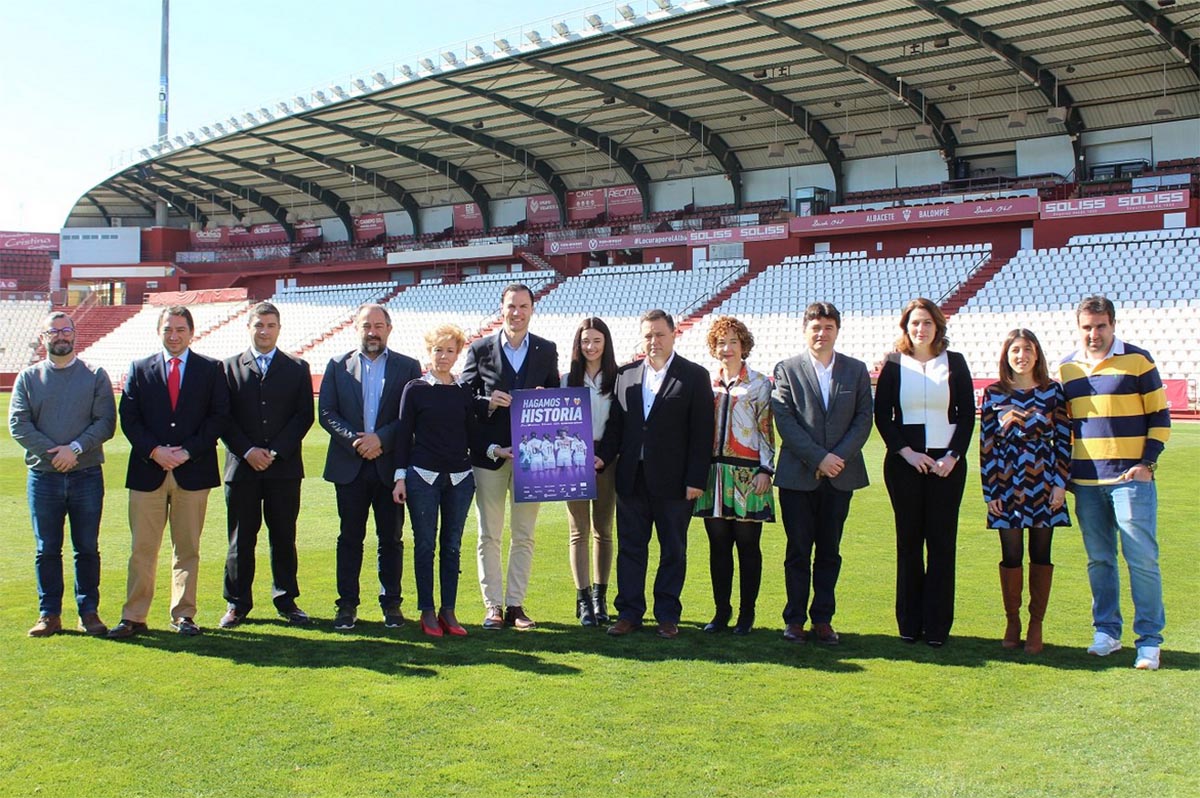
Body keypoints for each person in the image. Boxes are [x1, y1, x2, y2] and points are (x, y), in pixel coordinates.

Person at [1059, 295, 1170, 670]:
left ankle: (1150, 640)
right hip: (1087, 482)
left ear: (1113, 325)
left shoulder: (1138, 360)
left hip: (1130, 479)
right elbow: (1064, 426)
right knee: (1100, 560)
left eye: (1100, 326)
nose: (1093, 334)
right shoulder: (1067, 369)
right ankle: (1107, 632)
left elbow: (1160, 417)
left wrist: (1147, 463)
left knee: (1141, 559)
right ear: (1079, 328)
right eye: (1087, 327)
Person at [108, 305, 230, 638]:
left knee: (187, 548)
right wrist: (154, 450)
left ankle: (184, 614)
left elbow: (218, 417)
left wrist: (188, 450)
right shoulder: (139, 368)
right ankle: (134, 615)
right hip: (149, 470)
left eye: (180, 330)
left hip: (193, 471)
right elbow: (129, 418)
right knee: (142, 548)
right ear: (159, 332)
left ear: (191, 332)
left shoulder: (210, 369)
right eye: (168, 330)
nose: (174, 336)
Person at [598, 309, 714, 639]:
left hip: (676, 482)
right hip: (631, 479)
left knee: (673, 549)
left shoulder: (694, 376)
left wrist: (695, 478)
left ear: (674, 334)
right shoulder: (626, 375)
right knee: (631, 548)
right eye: (648, 335)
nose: (653, 341)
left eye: (659, 334)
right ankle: (629, 613)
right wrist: (601, 458)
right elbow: (616, 429)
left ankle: (667, 614)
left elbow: (701, 432)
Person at [874, 298, 974, 647]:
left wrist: (953, 456)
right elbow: (883, 416)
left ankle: (937, 628)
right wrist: (906, 452)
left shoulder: (955, 363)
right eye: (914, 323)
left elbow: (966, 416)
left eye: (927, 323)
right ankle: (909, 623)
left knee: (942, 545)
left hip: (947, 467)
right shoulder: (894, 364)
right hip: (905, 466)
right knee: (910, 545)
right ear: (906, 328)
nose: (920, 329)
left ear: (937, 326)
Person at [9, 312, 116, 637]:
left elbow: (105, 423)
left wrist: (75, 449)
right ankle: (49, 614)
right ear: (43, 338)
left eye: (65, 330)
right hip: (44, 477)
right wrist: (55, 453)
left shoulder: (95, 375)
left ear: (75, 335)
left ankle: (88, 612)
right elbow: (19, 423)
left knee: (86, 547)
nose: (60, 336)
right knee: (47, 549)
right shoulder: (28, 378)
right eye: (53, 331)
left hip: (86, 475)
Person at [771, 303, 872, 645]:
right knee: (798, 550)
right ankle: (794, 620)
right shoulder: (786, 369)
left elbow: (863, 420)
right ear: (805, 330)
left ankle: (823, 620)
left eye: (828, 327)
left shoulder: (855, 370)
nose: (821, 333)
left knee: (830, 550)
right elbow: (785, 420)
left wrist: (836, 458)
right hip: (798, 477)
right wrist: (819, 458)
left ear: (837, 331)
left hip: (840, 475)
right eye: (815, 327)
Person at [460, 283, 559, 630]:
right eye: (510, 307)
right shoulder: (479, 349)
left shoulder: (547, 350)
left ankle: (515, 605)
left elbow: (557, 401)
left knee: (524, 534)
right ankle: (493, 607)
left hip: (531, 459)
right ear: (501, 310)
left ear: (532, 309)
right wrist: (487, 402)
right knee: (489, 534)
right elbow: (463, 399)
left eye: (523, 306)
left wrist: (544, 397)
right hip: (489, 457)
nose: (516, 313)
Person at [319, 303, 421, 631]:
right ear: (357, 328)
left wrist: (382, 440)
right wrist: (357, 441)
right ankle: (346, 605)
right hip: (349, 466)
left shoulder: (408, 367)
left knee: (390, 538)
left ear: (389, 329)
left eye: (378, 325)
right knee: (349, 537)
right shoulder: (337, 365)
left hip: (390, 467)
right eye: (366, 326)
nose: (372, 332)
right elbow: (327, 413)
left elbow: (410, 416)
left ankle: (391, 603)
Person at [218, 302, 315, 629]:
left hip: (283, 469)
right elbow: (222, 418)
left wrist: (274, 451)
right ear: (249, 327)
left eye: (270, 325)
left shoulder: (297, 367)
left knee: (284, 536)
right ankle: (237, 603)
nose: (264, 330)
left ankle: (286, 599)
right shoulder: (228, 367)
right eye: (259, 324)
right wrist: (247, 451)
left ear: (279, 328)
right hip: (241, 469)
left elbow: (304, 416)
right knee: (241, 538)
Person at [979, 329, 1071, 654]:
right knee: (1011, 554)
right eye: (1015, 350)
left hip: (1044, 480)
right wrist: (991, 493)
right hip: (1006, 480)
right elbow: (986, 445)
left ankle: (1036, 623)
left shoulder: (1052, 392)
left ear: (1037, 354)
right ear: (1007, 355)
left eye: (1028, 350)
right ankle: (1012, 620)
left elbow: (1063, 439)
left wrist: (1060, 484)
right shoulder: (993, 394)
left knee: (1041, 554)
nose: (1022, 356)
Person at [392, 325, 477, 638]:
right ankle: (427, 610)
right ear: (428, 352)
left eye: (450, 350)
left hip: (460, 478)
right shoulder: (414, 388)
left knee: (452, 547)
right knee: (425, 545)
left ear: (458, 354)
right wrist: (400, 478)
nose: (443, 356)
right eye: (438, 350)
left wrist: (496, 449)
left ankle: (448, 610)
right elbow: (403, 436)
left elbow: (473, 434)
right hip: (422, 477)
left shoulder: (463, 390)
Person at [693, 316, 775, 636]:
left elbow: (766, 429)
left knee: (747, 545)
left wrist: (766, 469)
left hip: (748, 473)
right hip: (714, 472)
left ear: (744, 346)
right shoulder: (707, 384)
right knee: (718, 545)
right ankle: (721, 611)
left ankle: (747, 613)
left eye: (733, 342)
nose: (726, 348)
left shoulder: (758, 383)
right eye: (721, 343)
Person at [562, 317, 618, 626]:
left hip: (606, 460)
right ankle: (582, 599)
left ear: (606, 343)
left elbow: (618, 424)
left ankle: (600, 597)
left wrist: (604, 456)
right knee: (578, 531)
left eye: (597, 341)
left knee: (604, 530)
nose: (591, 346)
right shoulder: (566, 378)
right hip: (573, 460)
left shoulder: (618, 378)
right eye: (585, 341)